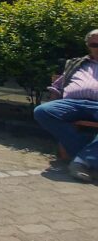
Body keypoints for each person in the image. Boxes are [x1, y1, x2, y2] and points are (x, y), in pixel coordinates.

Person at [35, 29, 98, 183]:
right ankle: (85, 156)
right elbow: (58, 85)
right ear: (88, 46)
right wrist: (54, 96)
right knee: (42, 111)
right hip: (72, 103)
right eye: (95, 44)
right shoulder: (76, 63)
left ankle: (81, 161)